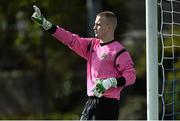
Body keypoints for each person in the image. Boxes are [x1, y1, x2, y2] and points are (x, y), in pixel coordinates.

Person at [31, 5, 136, 120]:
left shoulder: (119, 51)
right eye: (95, 24)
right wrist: (46, 24)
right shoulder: (91, 45)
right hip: (91, 103)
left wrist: (111, 82)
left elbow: (131, 76)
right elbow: (69, 38)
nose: (94, 27)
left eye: (98, 24)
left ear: (109, 27)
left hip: (108, 105)